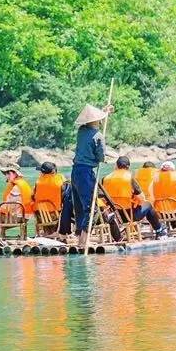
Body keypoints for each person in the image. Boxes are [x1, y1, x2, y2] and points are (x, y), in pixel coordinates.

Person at [71, 103, 112, 249]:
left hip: (75, 171)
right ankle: (83, 240)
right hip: (86, 172)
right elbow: (101, 157)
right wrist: (103, 158)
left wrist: (105, 112)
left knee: (80, 206)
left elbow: (94, 123)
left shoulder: (81, 131)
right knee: (91, 207)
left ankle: (80, 238)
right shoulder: (98, 136)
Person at [102, 156, 163, 235]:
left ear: (116, 165)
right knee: (148, 205)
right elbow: (142, 198)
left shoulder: (105, 179)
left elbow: (102, 198)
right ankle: (159, 230)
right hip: (129, 215)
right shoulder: (129, 178)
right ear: (128, 167)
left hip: (114, 216)